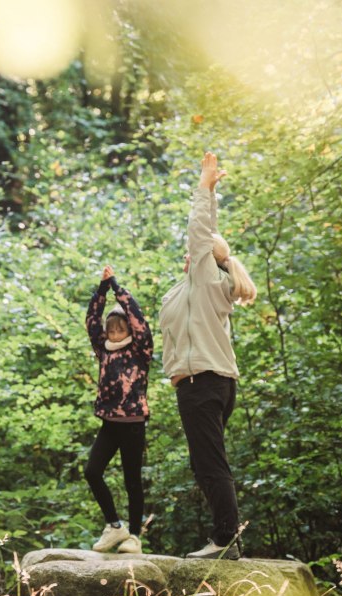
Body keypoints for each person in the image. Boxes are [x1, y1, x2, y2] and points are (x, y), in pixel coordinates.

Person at [159, 152, 257, 560]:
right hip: (209, 383)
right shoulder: (191, 290)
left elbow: (201, 230)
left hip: (204, 384)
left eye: (200, 251)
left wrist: (205, 188)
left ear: (206, 257)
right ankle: (224, 538)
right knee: (206, 463)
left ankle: (224, 541)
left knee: (210, 464)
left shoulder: (207, 280)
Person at [84, 265, 153, 555]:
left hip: (134, 422)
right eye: (110, 329)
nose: (113, 333)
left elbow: (139, 321)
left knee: (131, 480)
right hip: (110, 423)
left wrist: (117, 288)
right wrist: (101, 290)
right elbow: (91, 321)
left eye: (118, 328)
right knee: (92, 471)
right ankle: (115, 526)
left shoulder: (140, 350)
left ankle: (134, 537)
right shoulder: (104, 349)